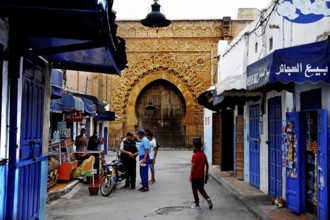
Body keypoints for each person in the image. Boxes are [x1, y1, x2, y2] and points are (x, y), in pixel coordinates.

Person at [190, 137, 213, 209]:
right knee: (201, 190)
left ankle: (197, 204)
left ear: (196, 148)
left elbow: (193, 166)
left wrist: (190, 175)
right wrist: (206, 173)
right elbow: (207, 164)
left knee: (194, 191)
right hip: (201, 177)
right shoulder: (204, 155)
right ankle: (207, 198)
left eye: (193, 147)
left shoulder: (194, 156)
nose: (192, 148)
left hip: (195, 177)